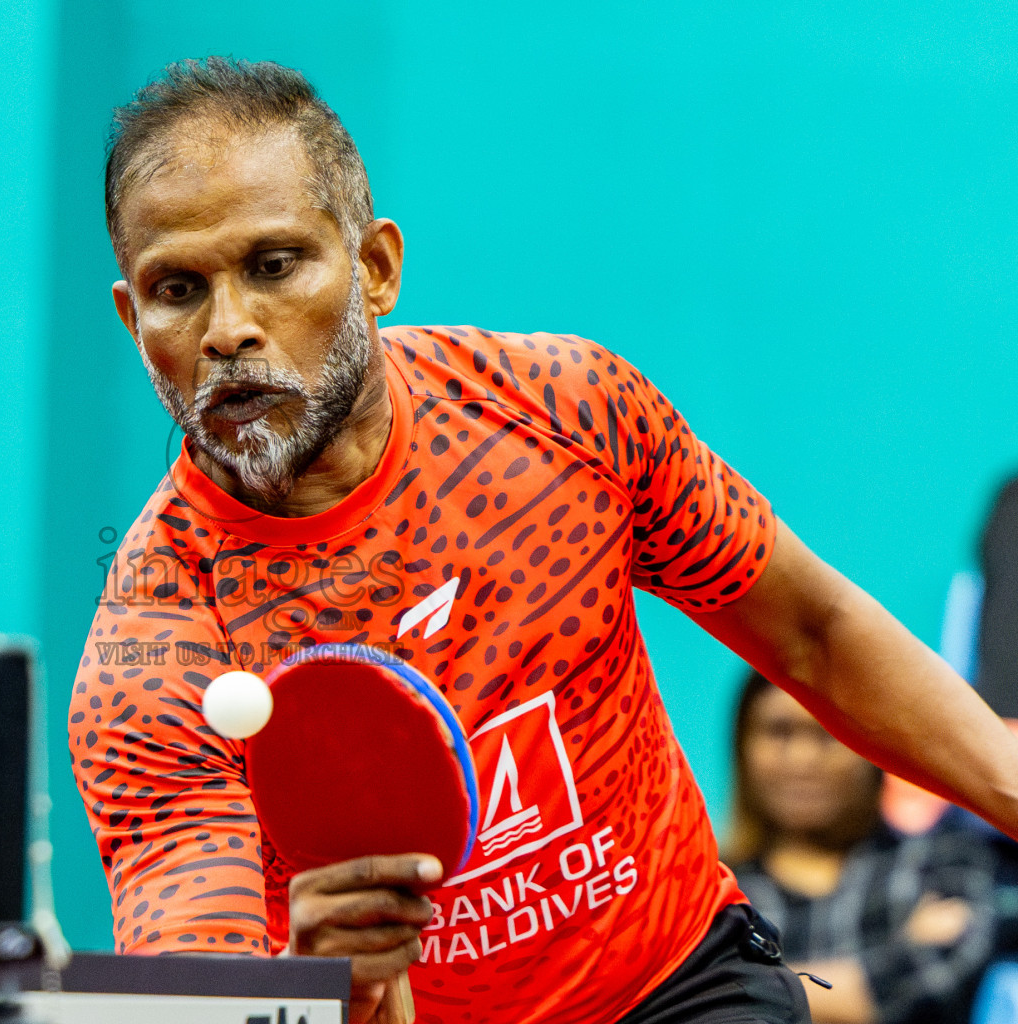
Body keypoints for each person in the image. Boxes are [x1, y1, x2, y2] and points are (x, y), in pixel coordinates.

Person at [68, 57, 1018, 1024]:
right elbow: (204, 998)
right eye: (177, 289)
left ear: (376, 268)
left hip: (679, 985)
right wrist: (323, 988)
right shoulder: (155, 651)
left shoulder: (564, 412)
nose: (228, 329)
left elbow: (811, 634)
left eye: (274, 266)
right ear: (130, 317)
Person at [725, 670, 996, 1024]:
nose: (803, 758)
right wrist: (896, 956)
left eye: (827, 733)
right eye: (779, 732)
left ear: (872, 747)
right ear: (743, 745)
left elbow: (934, 980)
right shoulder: (712, 889)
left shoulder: (943, 862)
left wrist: (746, 985)